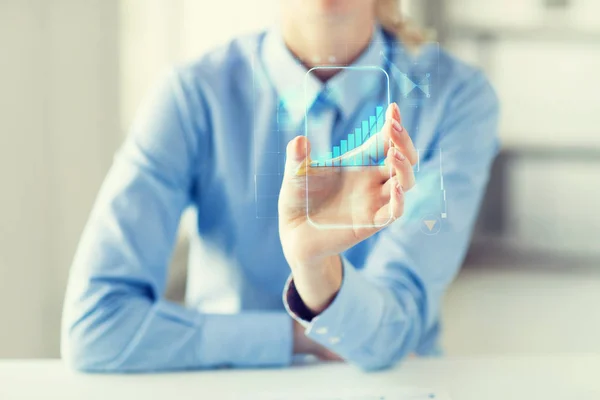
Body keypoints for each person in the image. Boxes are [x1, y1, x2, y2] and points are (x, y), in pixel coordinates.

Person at [61, 0, 499, 372]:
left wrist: (317, 270)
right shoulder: (192, 96)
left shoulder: (454, 98)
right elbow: (96, 327)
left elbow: (393, 331)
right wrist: (296, 336)